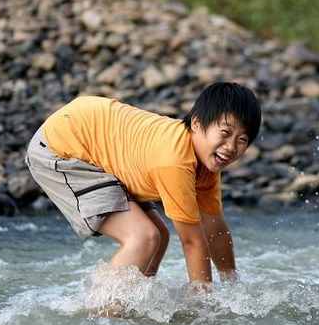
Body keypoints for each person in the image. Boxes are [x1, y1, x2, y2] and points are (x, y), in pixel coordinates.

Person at [26, 82, 261, 289]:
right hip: (60, 146)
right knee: (143, 236)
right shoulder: (175, 161)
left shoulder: (207, 166)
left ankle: (133, 308)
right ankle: (101, 315)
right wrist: (205, 307)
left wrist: (232, 283)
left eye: (241, 140)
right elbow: (192, 241)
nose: (231, 147)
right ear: (197, 124)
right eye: (225, 132)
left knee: (159, 235)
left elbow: (214, 227)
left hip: (96, 140)